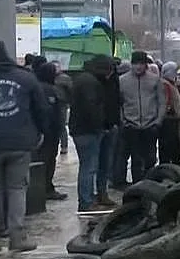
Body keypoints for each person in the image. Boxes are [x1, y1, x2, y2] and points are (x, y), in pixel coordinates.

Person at [0, 40, 48, 252]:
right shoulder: (25, 77)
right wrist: (40, 133)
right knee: (17, 189)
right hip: (20, 143)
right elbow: (41, 109)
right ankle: (18, 237)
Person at [69, 55, 118, 211]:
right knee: (89, 166)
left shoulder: (86, 79)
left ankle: (94, 197)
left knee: (94, 165)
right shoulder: (90, 82)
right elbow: (92, 108)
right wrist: (101, 126)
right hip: (89, 130)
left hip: (87, 129)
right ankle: (86, 202)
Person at [118, 51, 167, 183]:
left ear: (146, 65)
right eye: (135, 64)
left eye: (141, 64)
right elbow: (119, 103)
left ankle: (150, 183)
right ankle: (138, 186)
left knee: (151, 158)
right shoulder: (122, 81)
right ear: (131, 64)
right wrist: (123, 121)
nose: (138, 67)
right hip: (131, 125)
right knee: (136, 159)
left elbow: (161, 102)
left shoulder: (155, 80)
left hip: (150, 125)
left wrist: (158, 121)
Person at [33, 62, 67, 201]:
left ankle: (41, 188)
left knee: (42, 161)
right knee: (48, 160)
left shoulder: (36, 87)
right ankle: (46, 188)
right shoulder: (49, 90)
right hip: (49, 133)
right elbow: (52, 112)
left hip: (42, 132)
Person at [159, 61, 180, 165]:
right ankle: (169, 163)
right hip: (169, 119)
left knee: (174, 143)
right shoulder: (165, 84)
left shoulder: (172, 84)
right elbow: (165, 101)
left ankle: (174, 161)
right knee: (169, 143)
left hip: (174, 118)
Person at [54, 63, 73, 155]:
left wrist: (69, 101)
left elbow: (71, 90)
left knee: (61, 125)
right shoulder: (50, 77)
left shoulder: (65, 78)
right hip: (53, 104)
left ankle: (64, 146)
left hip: (62, 104)